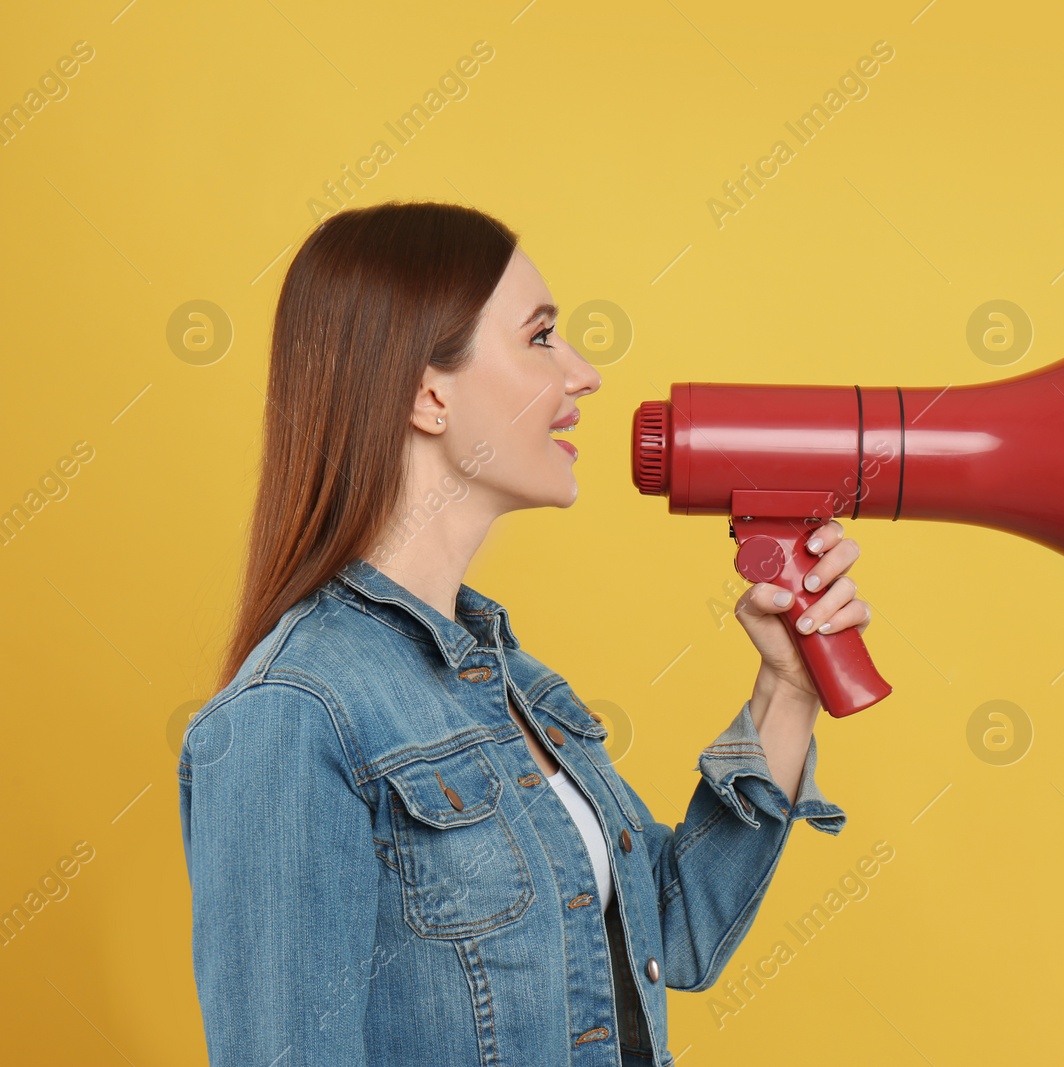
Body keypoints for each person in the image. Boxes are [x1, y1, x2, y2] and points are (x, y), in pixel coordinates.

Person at [177, 201, 872, 1066]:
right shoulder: (292, 716)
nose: (583, 375)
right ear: (428, 395)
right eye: (541, 338)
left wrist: (787, 690)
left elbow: (675, 932)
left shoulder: (513, 683)